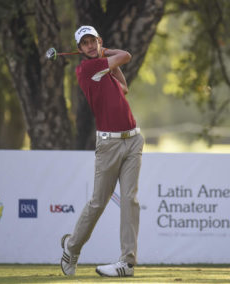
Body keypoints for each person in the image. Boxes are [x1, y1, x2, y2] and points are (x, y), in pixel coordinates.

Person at [60, 25, 144, 277]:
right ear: (79, 50)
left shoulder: (105, 69)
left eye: (92, 41)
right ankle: (71, 248)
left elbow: (124, 88)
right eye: (83, 43)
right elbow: (126, 55)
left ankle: (127, 263)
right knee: (98, 202)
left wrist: (107, 56)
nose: (88, 46)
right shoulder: (86, 69)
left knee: (130, 199)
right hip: (109, 145)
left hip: (133, 140)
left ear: (99, 41)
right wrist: (106, 53)